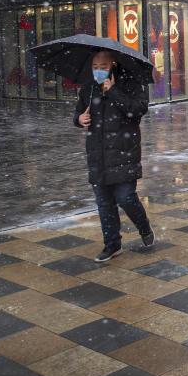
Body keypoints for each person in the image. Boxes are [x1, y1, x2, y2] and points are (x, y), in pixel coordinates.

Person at [74, 50, 154, 262]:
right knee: (104, 203)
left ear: (114, 65)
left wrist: (113, 90)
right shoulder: (89, 88)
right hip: (97, 154)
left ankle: (144, 226)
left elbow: (137, 110)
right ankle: (112, 244)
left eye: (103, 67)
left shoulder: (131, 83)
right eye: (95, 67)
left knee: (126, 197)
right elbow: (79, 112)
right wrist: (79, 119)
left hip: (123, 152)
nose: (98, 71)